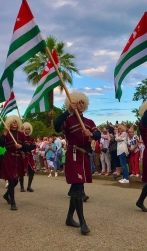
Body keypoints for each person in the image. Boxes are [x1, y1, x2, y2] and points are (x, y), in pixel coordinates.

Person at [54, 91, 101, 235]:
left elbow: (98, 134)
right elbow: (56, 126)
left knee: (76, 189)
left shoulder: (89, 121)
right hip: (73, 154)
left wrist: (92, 135)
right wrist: (67, 111)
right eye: (78, 102)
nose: (80, 104)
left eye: (82, 102)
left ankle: (69, 218)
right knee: (78, 188)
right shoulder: (68, 120)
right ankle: (83, 223)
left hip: (84, 155)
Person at [0, 115, 26, 210]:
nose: (14, 123)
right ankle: (13, 202)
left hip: (18, 159)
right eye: (12, 121)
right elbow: (0, 144)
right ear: (9, 123)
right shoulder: (7, 133)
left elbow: (27, 146)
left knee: (16, 180)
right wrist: (4, 133)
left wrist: (21, 147)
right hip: (9, 158)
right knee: (11, 179)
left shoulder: (21, 134)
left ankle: (6, 195)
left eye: (16, 121)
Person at [19, 122, 37, 192]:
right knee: (22, 172)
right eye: (26, 129)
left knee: (32, 171)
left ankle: (29, 186)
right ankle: (22, 187)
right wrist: (27, 147)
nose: (28, 131)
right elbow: (22, 147)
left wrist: (28, 147)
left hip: (29, 156)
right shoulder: (21, 137)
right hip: (23, 156)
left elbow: (34, 146)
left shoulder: (31, 138)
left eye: (29, 129)